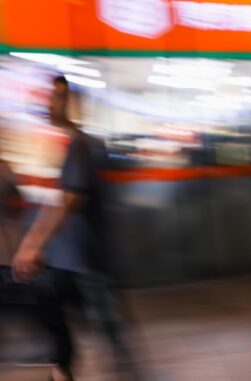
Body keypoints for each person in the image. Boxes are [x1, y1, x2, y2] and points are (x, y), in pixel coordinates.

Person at [12, 75, 136, 381]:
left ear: (73, 104)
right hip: (62, 258)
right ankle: (63, 370)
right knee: (54, 315)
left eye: (59, 97)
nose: (51, 103)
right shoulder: (55, 145)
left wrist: (32, 244)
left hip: (84, 258)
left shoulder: (80, 144)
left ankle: (122, 370)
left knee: (106, 327)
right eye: (50, 97)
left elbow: (69, 200)